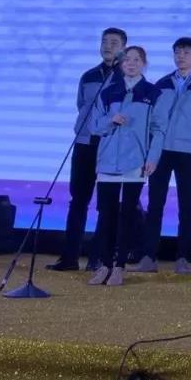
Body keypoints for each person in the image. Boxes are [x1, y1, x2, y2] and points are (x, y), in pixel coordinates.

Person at [129, 37, 191, 276]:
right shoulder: (162, 84)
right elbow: (151, 118)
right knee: (155, 203)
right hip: (161, 150)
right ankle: (148, 257)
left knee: (186, 204)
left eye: (186, 52)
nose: (181, 56)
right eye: (177, 52)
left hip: (188, 152)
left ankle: (183, 257)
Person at [47, 27, 126, 272]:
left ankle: (98, 258)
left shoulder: (127, 76)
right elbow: (81, 104)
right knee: (78, 200)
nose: (108, 46)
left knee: (106, 204)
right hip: (83, 144)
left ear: (123, 48)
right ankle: (69, 257)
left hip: (109, 146)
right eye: (104, 41)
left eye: (114, 42)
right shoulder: (89, 75)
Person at [87, 45, 163, 287]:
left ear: (144, 64)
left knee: (128, 214)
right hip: (108, 160)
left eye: (137, 59)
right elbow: (94, 126)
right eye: (127, 59)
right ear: (121, 64)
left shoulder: (152, 92)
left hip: (135, 161)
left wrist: (153, 158)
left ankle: (120, 266)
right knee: (105, 214)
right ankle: (105, 265)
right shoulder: (109, 92)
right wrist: (111, 120)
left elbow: (158, 129)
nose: (131, 63)